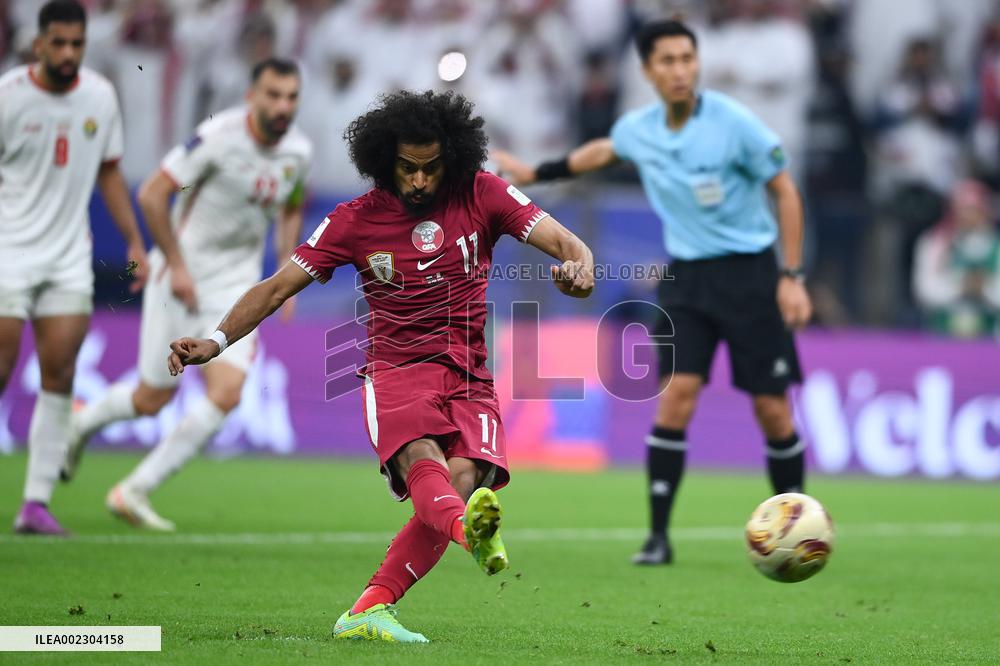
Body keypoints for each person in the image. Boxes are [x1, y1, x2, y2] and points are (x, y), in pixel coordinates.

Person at [164, 90, 594, 641]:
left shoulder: (483, 194)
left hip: (469, 374)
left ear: (453, 158)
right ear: (382, 160)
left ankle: (370, 608)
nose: (418, 181)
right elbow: (276, 289)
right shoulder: (354, 220)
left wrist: (577, 270)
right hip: (396, 371)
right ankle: (470, 533)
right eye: (406, 168)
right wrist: (216, 340)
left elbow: (567, 244)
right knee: (423, 458)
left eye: (430, 169)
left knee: (461, 480)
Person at [493, 19, 812, 565]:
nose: (680, 69)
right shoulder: (641, 129)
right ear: (648, 71)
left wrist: (792, 275)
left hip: (751, 277)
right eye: (667, 60)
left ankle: (795, 528)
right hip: (686, 279)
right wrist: (536, 171)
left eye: (687, 58)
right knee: (675, 399)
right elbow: (601, 153)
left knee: (773, 412)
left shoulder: (733, 123)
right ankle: (658, 538)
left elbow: (783, 190)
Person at [61, 58, 312, 531]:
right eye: (274, 94)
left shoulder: (297, 152)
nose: (283, 105)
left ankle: (133, 490)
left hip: (237, 287)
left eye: (291, 97)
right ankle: (80, 424)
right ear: (252, 97)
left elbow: (293, 207)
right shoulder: (218, 136)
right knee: (151, 399)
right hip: (182, 277)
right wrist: (175, 265)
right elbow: (154, 193)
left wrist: (286, 271)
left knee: (229, 391)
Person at [0, 0, 149, 536]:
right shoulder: (8, 94)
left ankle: (35, 502)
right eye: (57, 43)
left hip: (67, 256)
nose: (67, 53)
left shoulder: (99, 95)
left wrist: (134, 237)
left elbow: (109, 171)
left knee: (59, 374)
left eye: (76, 44)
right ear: (38, 43)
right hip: (8, 250)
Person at [913, 180, 1000, 338]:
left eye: (974, 210)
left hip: (991, 334)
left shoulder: (996, 245)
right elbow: (925, 290)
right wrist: (961, 286)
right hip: (943, 332)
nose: (967, 217)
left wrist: (984, 288)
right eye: (962, 210)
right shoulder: (935, 242)